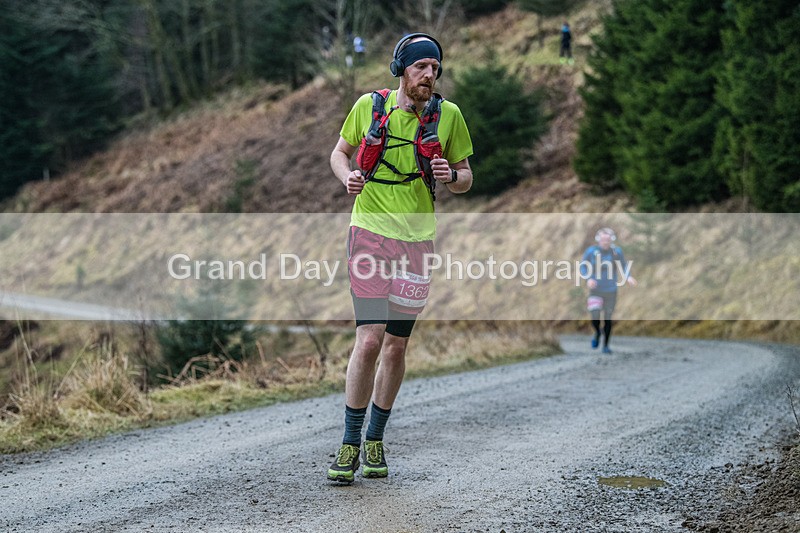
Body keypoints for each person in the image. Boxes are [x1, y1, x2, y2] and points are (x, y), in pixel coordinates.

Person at [327, 33, 474, 483]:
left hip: (417, 242)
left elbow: (467, 175)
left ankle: (375, 439)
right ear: (401, 70)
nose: (429, 74)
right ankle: (349, 444)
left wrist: (453, 177)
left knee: (396, 345)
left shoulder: (448, 116)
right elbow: (339, 153)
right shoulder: (371, 107)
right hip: (369, 234)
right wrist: (348, 177)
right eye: (420, 66)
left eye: (435, 67)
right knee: (369, 340)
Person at [580, 228, 636, 354]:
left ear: (612, 240)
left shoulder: (616, 252)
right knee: (595, 316)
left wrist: (628, 277)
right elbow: (583, 266)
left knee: (607, 318)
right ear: (598, 240)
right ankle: (597, 332)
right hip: (596, 289)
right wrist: (588, 279)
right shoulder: (591, 251)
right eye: (603, 239)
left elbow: (623, 265)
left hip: (611, 290)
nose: (605, 242)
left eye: (608, 239)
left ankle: (606, 345)